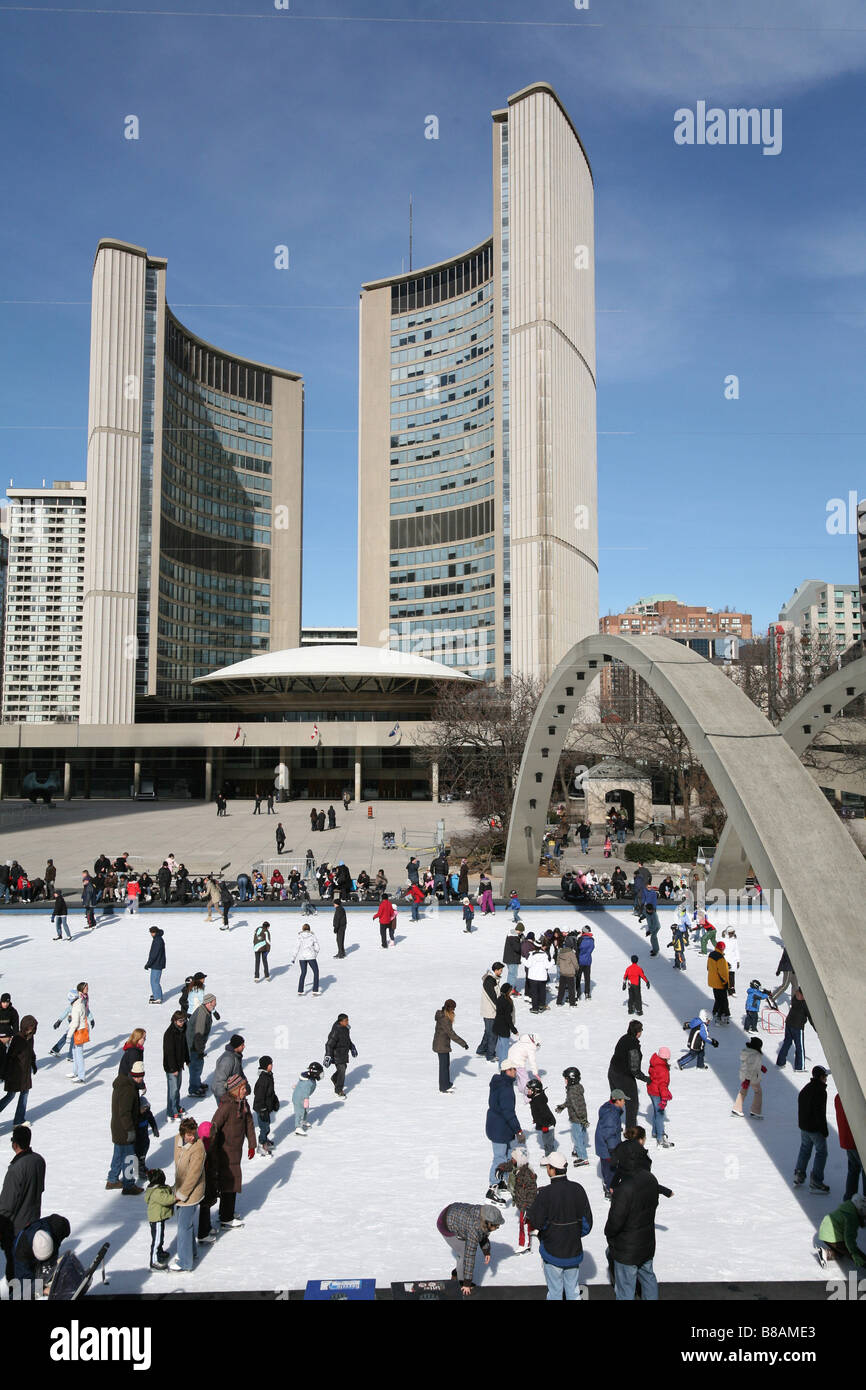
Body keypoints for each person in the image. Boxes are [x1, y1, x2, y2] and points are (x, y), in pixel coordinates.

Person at [604, 1128, 673, 1299]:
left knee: (625, 1287)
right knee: (648, 1277)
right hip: (647, 1243)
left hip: (627, 1249)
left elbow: (615, 1221)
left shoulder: (624, 1189)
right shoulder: (650, 1179)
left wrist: (610, 1236)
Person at [525, 1150, 593, 1300]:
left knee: (555, 1292)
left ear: (552, 1169)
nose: (547, 1169)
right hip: (573, 1251)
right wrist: (573, 1233)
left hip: (552, 1252)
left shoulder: (545, 1193)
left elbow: (536, 1222)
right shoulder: (578, 1189)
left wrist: (548, 1234)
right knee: (573, 1292)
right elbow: (587, 1223)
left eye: (548, 1166)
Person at [0, 1126, 46, 1281]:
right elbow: (40, 1189)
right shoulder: (39, 1161)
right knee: (32, 1271)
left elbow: (6, 1206)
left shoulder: (15, 1170)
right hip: (34, 1225)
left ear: (15, 1144)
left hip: (16, 1231)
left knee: (17, 1274)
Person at [210, 1074, 256, 1229]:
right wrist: (211, 1146)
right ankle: (226, 1217)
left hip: (236, 1150)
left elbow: (249, 1123)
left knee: (231, 1181)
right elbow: (214, 1125)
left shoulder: (243, 1104)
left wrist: (252, 1144)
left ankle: (225, 1212)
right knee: (230, 1182)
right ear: (235, 1090)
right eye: (242, 1088)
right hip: (225, 1150)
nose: (245, 1091)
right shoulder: (227, 1106)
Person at [436, 1202, 504, 1297]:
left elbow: (483, 1233)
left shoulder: (484, 1216)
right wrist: (466, 1283)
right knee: (464, 1252)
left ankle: (456, 1274)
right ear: (488, 1222)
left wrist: (486, 1250)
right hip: (445, 1223)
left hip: (456, 1213)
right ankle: (460, 1282)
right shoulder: (474, 1228)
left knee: (465, 1248)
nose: (497, 1228)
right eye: (496, 1226)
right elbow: (469, 1256)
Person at [170, 1117, 206, 1270]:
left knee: (183, 1227)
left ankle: (185, 1262)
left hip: (191, 1193)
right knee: (185, 1224)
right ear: (182, 1133)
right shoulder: (177, 1140)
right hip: (179, 1188)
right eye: (189, 1135)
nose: (192, 1137)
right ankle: (191, 1252)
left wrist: (182, 1194)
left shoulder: (198, 1148)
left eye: (194, 1134)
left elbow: (194, 1175)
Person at [485, 1061, 524, 1202]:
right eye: (513, 1069)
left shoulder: (500, 1083)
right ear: (506, 1071)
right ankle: (492, 1188)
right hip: (500, 1128)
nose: (515, 1072)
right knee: (500, 1158)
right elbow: (508, 1112)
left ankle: (503, 1183)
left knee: (508, 1155)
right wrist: (518, 1130)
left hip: (499, 1126)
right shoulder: (505, 1088)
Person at [106, 1062, 146, 1195]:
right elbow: (125, 1113)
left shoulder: (124, 1084)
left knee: (118, 1154)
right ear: (136, 1076)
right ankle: (129, 1185)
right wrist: (130, 1130)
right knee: (130, 1157)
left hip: (117, 1128)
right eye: (141, 1077)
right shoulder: (128, 1090)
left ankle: (112, 1180)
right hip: (124, 1130)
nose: (142, 1079)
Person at [794, 1065, 831, 1193]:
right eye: (825, 1076)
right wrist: (824, 1130)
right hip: (815, 1129)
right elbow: (820, 1113)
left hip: (804, 1127)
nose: (826, 1079)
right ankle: (816, 1181)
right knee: (822, 1152)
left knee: (805, 1149)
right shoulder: (821, 1091)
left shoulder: (806, 1088)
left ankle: (799, 1174)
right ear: (820, 1077)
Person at [608, 1021, 649, 1131]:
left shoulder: (623, 1038)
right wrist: (645, 1078)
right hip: (624, 1076)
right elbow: (634, 1067)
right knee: (632, 1104)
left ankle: (612, 1125)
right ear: (638, 1032)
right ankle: (630, 1132)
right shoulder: (633, 1044)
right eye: (641, 1030)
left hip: (612, 1072)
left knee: (615, 1099)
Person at [0, 1015, 38, 1125]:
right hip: (15, 1073)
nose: (31, 1029)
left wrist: (33, 1063)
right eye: (30, 1027)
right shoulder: (18, 1038)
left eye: (33, 1027)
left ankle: (19, 1120)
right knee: (10, 1096)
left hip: (25, 1073)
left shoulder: (30, 1038)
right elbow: (10, 1056)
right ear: (24, 1027)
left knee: (25, 1093)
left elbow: (31, 1052)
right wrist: (5, 1073)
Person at [816, 1194, 866, 1269]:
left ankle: (825, 1253)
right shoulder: (851, 1218)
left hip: (826, 1231)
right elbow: (849, 1239)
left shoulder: (849, 1207)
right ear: (860, 1208)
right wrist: (855, 1254)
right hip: (832, 1236)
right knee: (857, 1255)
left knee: (842, 1252)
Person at [432, 1000, 468, 1094]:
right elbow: (451, 1034)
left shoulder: (444, 1015)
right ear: (449, 1008)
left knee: (445, 1065)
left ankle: (446, 1083)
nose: (454, 1010)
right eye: (453, 1008)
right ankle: (443, 1087)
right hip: (441, 1045)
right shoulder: (445, 1018)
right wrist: (463, 1043)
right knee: (444, 1067)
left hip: (442, 1044)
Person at [595, 1091, 627, 1198]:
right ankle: (610, 1190)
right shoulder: (611, 1114)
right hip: (608, 1149)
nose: (624, 1103)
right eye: (623, 1100)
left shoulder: (609, 1109)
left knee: (608, 1169)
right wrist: (613, 1151)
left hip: (604, 1147)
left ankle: (608, 1186)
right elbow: (609, 1134)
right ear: (617, 1100)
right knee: (611, 1171)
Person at [506, 1148, 539, 1252]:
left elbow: (531, 1190)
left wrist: (527, 1205)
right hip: (522, 1203)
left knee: (523, 1224)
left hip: (525, 1204)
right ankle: (534, 1230)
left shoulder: (525, 1173)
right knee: (527, 1222)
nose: (512, 1160)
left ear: (519, 1159)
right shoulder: (519, 1170)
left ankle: (524, 1245)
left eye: (514, 1158)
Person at [556, 1066, 589, 1166]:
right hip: (582, 1116)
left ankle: (583, 1158)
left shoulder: (572, 1091)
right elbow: (571, 1101)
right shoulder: (577, 1087)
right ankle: (576, 1151)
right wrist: (562, 1106)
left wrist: (581, 1119)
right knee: (581, 1134)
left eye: (566, 1079)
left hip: (577, 1118)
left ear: (571, 1080)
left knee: (577, 1137)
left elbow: (575, 1105)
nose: (565, 1081)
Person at [835, 1095, 866, 1201]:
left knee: (853, 1169)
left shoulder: (839, 1098)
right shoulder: (855, 1098)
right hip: (857, 1141)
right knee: (864, 1169)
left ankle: (848, 1198)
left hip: (847, 1141)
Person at [144, 1167, 174, 1271]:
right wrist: (176, 1197)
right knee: (156, 1240)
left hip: (159, 1218)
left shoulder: (158, 1188)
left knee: (160, 1237)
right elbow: (166, 1200)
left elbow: (168, 1189)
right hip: (156, 1219)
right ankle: (154, 1262)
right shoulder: (156, 1192)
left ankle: (160, 1252)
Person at [777, 988, 812, 1072]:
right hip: (798, 1026)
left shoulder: (794, 998)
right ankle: (800, 1067)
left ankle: (780, 1062)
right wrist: (817, 1029)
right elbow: (810, 1017)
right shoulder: (805, 1003)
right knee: (800, 1047)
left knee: (787, 1042)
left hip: (789, 1023)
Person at [188, 994, 217, 1097]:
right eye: (214, 1003)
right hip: (194, 1045)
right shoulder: (202, 1014)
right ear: (208, 1003)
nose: (215, 1005)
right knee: (195, 1066)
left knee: (198, 1065)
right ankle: (194, 1089)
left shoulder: (205, 1010)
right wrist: (199, 1050)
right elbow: (198, 1034)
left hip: (197, 1045)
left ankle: (197, 1083)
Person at [163, 1011, 189, 1121]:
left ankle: (176, 1106)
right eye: (180, 1021)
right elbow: (169, 1052)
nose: (182, 1023)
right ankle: (171, 1111)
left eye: (184, 1020)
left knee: (177, 1088)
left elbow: (184, 1046)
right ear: (174, 1020)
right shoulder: (170, 1033)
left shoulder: (182, 1030)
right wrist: (173, 1068)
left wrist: (187, 1059)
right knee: (172, 1090)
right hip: (171, 1067)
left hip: (179, 1065)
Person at [731, 1037, 766, 1119]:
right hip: (751, 1077)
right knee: (758, 1092)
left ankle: (736, 1109)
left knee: (743, 1092)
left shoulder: (747, 1052)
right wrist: (747, 1080)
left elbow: (750, 1064)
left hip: (744, 1074)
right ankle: (755, 1111)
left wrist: (760, 1067)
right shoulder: (755, 1055)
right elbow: (750, 1068)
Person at [647, 1046, 674, 1147]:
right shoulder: (663, 1069)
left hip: (651, 1090)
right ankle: (660, 1137)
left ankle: (655, 1132)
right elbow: (662, 1085)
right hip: (657, 1093)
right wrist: (664, 1098)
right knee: (659, 1114)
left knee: (656, 1112)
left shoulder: (655, 1063)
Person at [324, 1014, 357, 1099]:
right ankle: (339, 1090)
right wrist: (328, 1056)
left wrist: (352, 1047)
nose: (347, 1022)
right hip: (336, 1054)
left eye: (347, 1020)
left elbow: (347, 1040)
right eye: (346, 1021)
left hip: (343, 1053)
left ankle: (334, 1078)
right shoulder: (336, 1031)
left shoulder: (346, 1029)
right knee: (342, 1069)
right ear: (341, 1022)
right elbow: (329, 1044)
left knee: (343, 1067)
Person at [252, 1056, 279, 1155]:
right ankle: (261, 1145)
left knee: (266, 1126)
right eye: (270, 1064)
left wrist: (275, 1101)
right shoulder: (263, 1079)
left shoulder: (269, 1076)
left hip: (266, 1107)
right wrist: (262, 1109)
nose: (271, 1066)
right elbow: (258, 1095)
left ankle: (265, 1140)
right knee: (264, 1128)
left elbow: (271, 1092)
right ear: (265, 1066)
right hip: (262, 1108)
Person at [477, 963, 503, 1063]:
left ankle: (481, 1050)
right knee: (493, 1033)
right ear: (496, 970)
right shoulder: (490, 981)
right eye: (500, 970)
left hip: (489, 1010)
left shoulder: (492, 979)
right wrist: (500, 1008)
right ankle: (490, 1055)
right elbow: (493, 997)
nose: (501, 972)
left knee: (488, 1032)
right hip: (490, 1011)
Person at [526, 1078, 557, 1159]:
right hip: (545, 1124)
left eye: (530, 1090)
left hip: (548, 1124)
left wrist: (545, 1125)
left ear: (536, 1091)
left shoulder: (539, 1101)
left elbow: (545, 1114)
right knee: (546, 1141)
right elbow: (538, 1113)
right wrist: (536, 1119)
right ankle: (549, 1156)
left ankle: (550, 1158)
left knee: (548, 1142)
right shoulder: (536, 1099)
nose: (528, 1091)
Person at [292, 1062, 323, 1136]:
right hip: (300, 1098)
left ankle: (304, 1121)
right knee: (300, 1111)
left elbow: (301, 1084)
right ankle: (298, 1127)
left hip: (302, 1096)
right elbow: (305, 1091)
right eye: (320, 1073)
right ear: (315, 1073)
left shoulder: (309, 1079)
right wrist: (306, 1100)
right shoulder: (308, 1082)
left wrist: (297, 1086)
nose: (321, 1075)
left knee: (305, 1110)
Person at [212, 1035, 247, 1101]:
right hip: (223, 1095)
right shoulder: (228, 1060)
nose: (244, 1046)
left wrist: (245, 1084)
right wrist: (224, 1098)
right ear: (237, 1046)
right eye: (242, 1045)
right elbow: (219, 1080)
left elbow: (239, 1072)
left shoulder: (236, 1056)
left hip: (232, 1092)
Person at [292, 923, 321, 995]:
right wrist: (315, 954)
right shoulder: (312, 936)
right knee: (316, 972)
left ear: (303, 929)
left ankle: (300, 990)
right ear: (309, 929)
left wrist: (293, 958)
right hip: (311, 957)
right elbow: (317, 947)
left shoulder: (299, 936)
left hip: (302, 957)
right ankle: (315, 990)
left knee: (303, 973)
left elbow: (296, 947)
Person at [492, 984, 518, 1064]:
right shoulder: (507, 1002)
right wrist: (514, 1030)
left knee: (501, 1048)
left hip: (497, 1026)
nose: (512, 992)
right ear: (507, 992)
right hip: (504, 1028)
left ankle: (501, 1066)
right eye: (510, 990)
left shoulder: (500, 999)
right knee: (504, 1050)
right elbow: (508, 1018)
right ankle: (503, 1068)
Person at [707, 940, 731, 1023]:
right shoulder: (720, 958)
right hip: (719, 982)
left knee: (717, 998)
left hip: (712, 981)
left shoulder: (711, 954)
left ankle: (714, 1011)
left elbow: (708, 967)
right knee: (723, 1000)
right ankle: (720, 1017)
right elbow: (722, 972)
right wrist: (725, 982)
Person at [526, 944, 552, 1014]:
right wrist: (552, 961)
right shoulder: (544, 955)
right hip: (542, 977)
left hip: (533, 977)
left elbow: (528, 964)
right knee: (542, 992)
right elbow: (547, 966)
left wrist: (522, 960)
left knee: (534, 992)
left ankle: (535, 1008)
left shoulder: (531, 955)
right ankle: (542, 1005)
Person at [145, 926, 166, 1005]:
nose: (151, 934)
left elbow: (154, 954)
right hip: (158, 963)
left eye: (152, 932)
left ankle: (158, 998)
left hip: (157, 964)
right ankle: (157, 995)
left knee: (154, 981)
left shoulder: (157, 940)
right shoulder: (158, 939)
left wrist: (148, 964)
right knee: (155, 981)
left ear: (154, 932)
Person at [502, 921, 525, 994]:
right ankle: (511, 989)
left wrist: (520, 938)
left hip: (509, 958)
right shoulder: (514, 937)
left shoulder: (511, 934)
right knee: (513, 975)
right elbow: (517, 948)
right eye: (521, 931)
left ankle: (510, 988)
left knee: (510, 974)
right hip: (513, 959)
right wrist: (522, 941)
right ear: (519, 930)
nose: (521, 933)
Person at [556, 934, 578, 1007]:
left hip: (562, 973)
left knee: (561, 988)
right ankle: (572, 1003)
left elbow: (558, 962)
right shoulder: (571, 953)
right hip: (570, 974)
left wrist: (562, 968)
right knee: (571, 989)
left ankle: (559, 1002)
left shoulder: (560, 951)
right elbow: (575, 963)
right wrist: (577, 969)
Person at [576, 926, 594, 1001]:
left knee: (578, 977)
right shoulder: (592, 939)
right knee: (587, 977)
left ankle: (578, 992)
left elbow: (577, 949)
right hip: (588, 960)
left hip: (580, 961)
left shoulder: (580, 939)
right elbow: (592, 948)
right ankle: (587, 993)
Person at [642, 884, 660, 954]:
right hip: (648, 906)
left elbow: (655, 925)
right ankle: (655, 949)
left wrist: (650, 931)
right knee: (649, 920)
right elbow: (645, 914)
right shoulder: (647, 911)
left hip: (656, 927)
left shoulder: (654, 915)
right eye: (648, 887)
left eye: (650, 887)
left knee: (653, 938)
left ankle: (656, 950)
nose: (649, 888)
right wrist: (641, 918)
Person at [723, 928, 741, 995]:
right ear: (727, 933)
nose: (732, 934)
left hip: (732, 960)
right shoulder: (723, 940)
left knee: (731, 975)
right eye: (731, 933)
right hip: (724, 960)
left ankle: (732, 989)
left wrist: (738, 961)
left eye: (733, 933)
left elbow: (736, 950)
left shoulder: (734, 940)